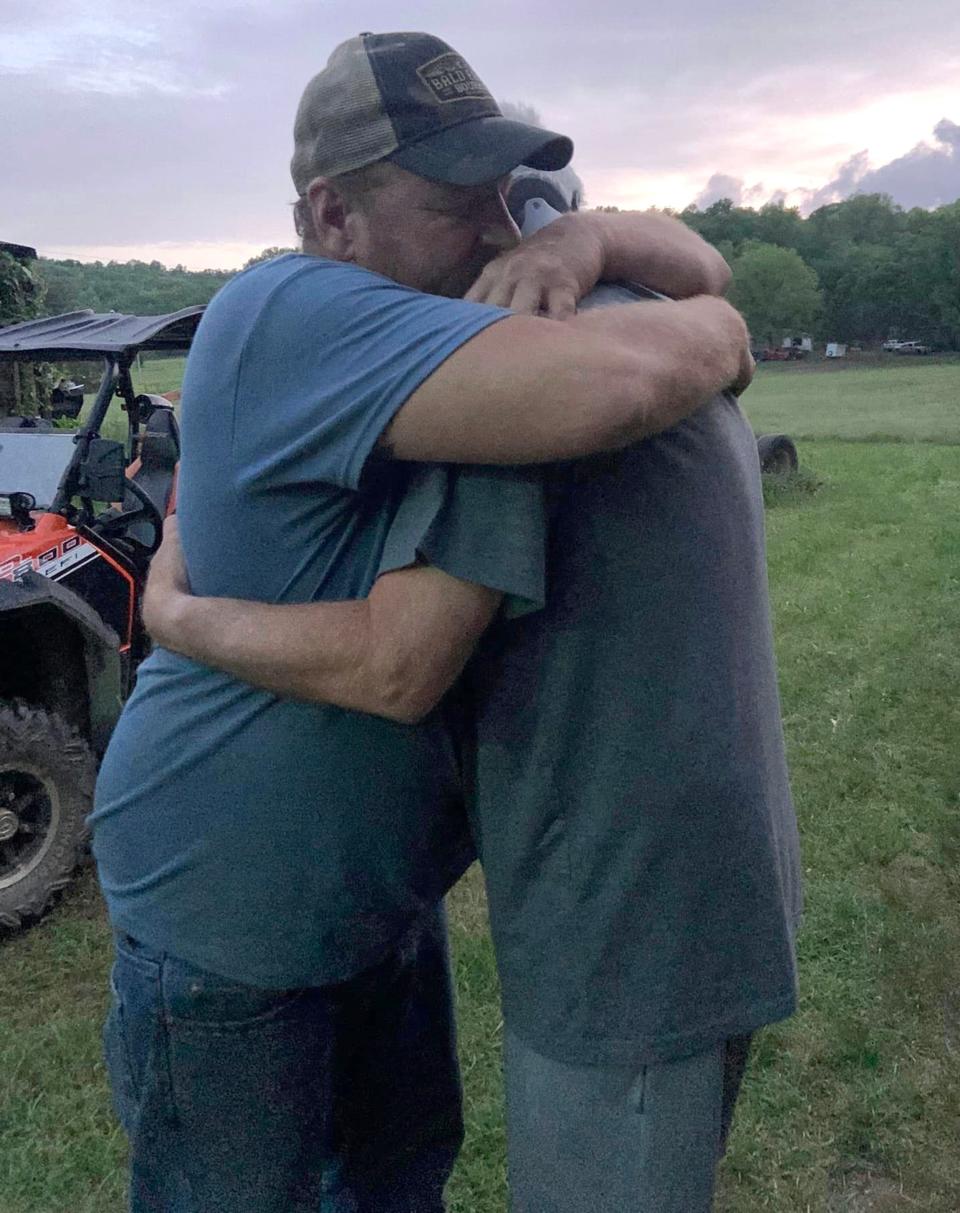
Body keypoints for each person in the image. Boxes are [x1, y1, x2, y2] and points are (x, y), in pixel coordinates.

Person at [90, 29, 752, 1213]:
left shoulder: (433, 341)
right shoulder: (298, 307)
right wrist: (717, 331)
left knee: (397, 1186)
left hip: (370, 910)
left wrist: (588, 235)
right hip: (223, 918)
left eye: (509, 194)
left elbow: (688, 263)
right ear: (335, 215)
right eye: (460, 203)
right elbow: (622, 384)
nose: (505, 234)